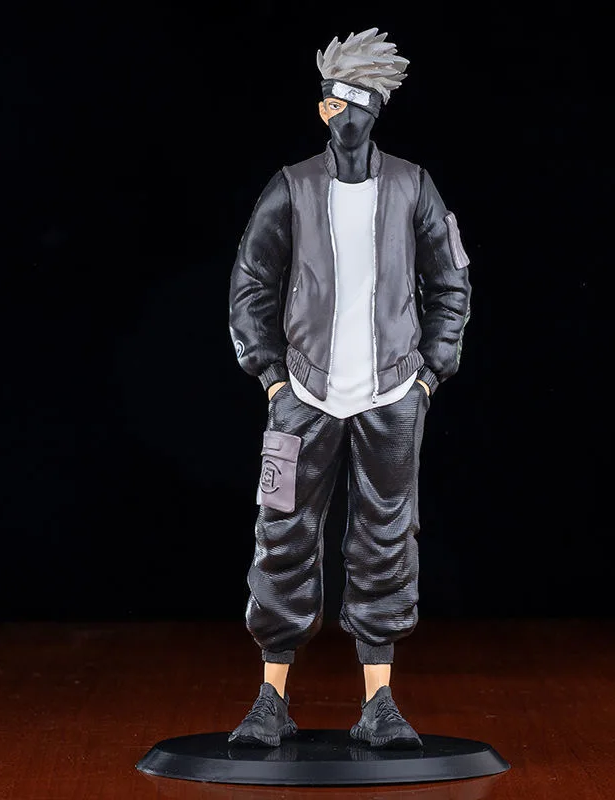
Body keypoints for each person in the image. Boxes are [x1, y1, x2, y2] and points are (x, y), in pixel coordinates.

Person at [227, 28, 472, 749]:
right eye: (336, 101)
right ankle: (271, 698)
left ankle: (380, 701)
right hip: (299, 401)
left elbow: (451, 281)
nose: (347, 115)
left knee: (387, 539)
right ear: (322, 110)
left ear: (377, 109)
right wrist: (272, 377)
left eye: (360, 101)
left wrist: (429, 373)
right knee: (279, 531)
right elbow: (250, 282)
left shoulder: (413, 186)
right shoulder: (293, 186)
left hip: (392, 399)